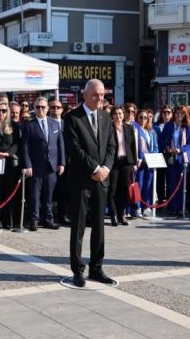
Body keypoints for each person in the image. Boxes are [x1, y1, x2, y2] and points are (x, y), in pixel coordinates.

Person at [64, 79, 116, 287]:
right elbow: (74, 149)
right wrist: (94, 168)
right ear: (84, 95)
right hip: (81, 181)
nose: (99, 98)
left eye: (102, 95)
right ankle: (77, 270)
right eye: (95, 94)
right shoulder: (72, 118)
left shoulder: (105, 117)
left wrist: (106, 169)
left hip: (101, 180)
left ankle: (97, 268)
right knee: (78, 227)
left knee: (99, 227)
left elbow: (111, 146)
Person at [21, 96, 65, 231]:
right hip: (35, 167)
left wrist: (62, 163)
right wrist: (28, 165)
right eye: (38, 107)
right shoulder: (29, 125)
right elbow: (25, 147)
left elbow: (60, 144)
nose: (40, 109)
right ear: (34, 108)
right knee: (35, 195)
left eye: (43, 107)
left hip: (52, 165)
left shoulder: (55, 123)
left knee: (49, 195)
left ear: (47, 108)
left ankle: (48, 219)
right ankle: (34, 220)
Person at [0, 101, 22, 229]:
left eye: (4, 110)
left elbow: (17, 144)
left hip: (9, 163)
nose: (1, 113)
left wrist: (7, 153)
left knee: (9, 191)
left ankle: (8, 220)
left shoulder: (14, 126)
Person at [107, 105, 137, 226]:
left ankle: (121, 215)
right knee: (112, 190)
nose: (118, 116)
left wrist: (134, 162)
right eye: (115, 114)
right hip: (113, 162)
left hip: (126, 162)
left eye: (120, 113)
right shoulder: (109, 128)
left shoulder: (129, 128)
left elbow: (133, 146)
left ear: (123, 115)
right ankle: (113, 215)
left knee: (123, 190)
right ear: (112, 115)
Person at [162, 105, 190, 216]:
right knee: (171, 183)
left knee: (182, 185)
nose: (178, 115)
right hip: (171, 158)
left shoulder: (188, 127)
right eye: (177, 113)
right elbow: (163, 139)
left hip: (182, 159)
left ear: (184, 115)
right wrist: (167, 148)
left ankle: (181, 208)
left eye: (181, 113)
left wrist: (180, 149)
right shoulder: (168, 125)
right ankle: (172, 208)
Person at [49, 98, 70, 225]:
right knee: (49, 191)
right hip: (50, 162)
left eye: (58, 107)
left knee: (63, 190)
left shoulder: (66, 124)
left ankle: (63, 214)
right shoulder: (46, 123)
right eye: (53, 107)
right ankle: (48, 215)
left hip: (65, 162)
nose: (55, 109)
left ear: (62, 110)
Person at [134, 109, 158, 218]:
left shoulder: (151, 131)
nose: (143, 119)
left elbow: (156, 146)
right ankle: (138, 207)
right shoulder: (135, 130)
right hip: (140, 162)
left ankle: (146, 207)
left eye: (145, 117)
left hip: (150, 162)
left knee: (148, 185)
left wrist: (152, 155)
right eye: (141, 117)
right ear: (137, 118)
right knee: (139, 184)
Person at [154, 105, 173, 205]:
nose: (166, 114)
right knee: (160, 179)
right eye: (164, 112)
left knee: (170, 179)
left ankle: (169, 201)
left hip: (170, 155)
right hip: (158, 155)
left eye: (169, 112)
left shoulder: (174, 125)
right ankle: (160, 200)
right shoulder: (155, 125)